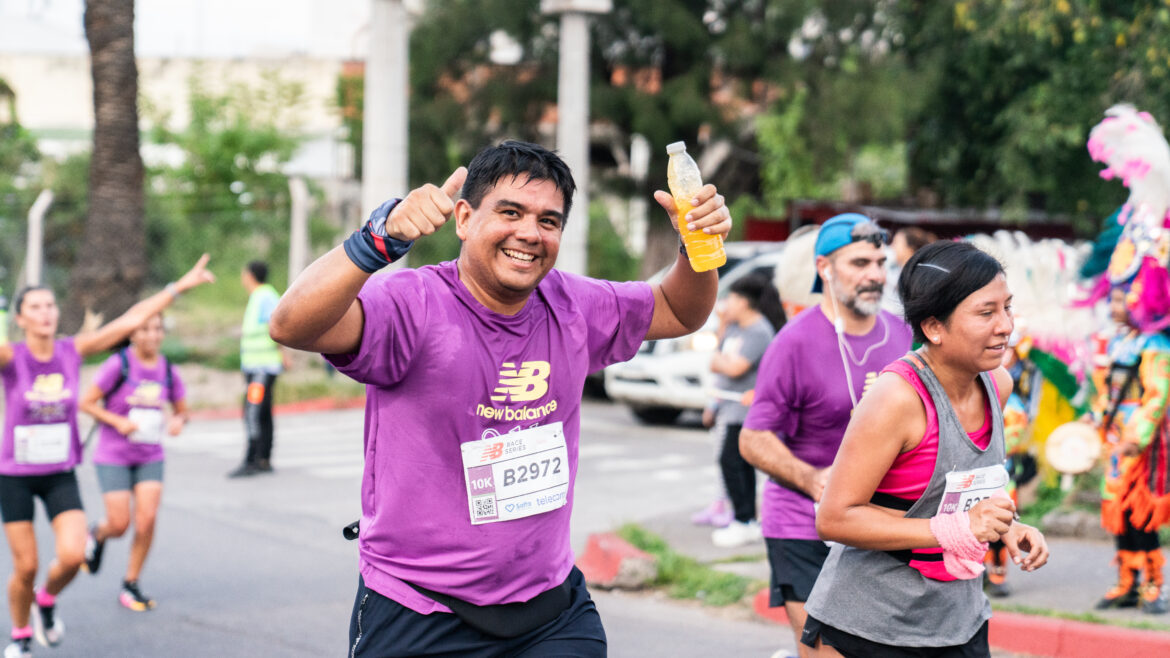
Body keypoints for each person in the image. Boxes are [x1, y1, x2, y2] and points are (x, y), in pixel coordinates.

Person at [267, 140, 731, 656]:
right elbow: (291, 324)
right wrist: (379, 239)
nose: (529, 233)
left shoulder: (575, 306)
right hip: (422, 608)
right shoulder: (413, 305)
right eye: (510, 212)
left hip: (550, 609)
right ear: (464, 218)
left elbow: (677, 310)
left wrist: (695, 247)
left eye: (548, 221)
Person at [802, 241, 1049, 657]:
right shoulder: (897, 398)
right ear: (934, 328)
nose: (1006, 325)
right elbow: (834, 518)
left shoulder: (997, 384)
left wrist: (1009, 528)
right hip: (866, 629)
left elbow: (967, 484)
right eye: (986, 313)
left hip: (959, 624)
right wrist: (952, 530)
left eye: (1007, 307)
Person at [0, 257, 213, 658]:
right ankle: (21, 634)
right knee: (25, 566)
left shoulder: (71, 350)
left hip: (59, 473)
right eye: (35, 307)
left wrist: (178, 286)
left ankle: (46, 600)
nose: (45, 313)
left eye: (50, 305)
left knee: (72, 555)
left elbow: (132, 319)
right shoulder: (11, 358)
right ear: (21, 319)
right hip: (14, 475)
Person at [739, 213, 912, 658]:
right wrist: (814, 478)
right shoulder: (793, 343)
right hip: (801, 522)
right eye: (859, 263)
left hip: (877, 523)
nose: (874, 274)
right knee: (825, 652)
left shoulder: (903, 337)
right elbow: (753, 438)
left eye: (880, 262)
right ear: (824, 269)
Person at [77, 312, 189, 612]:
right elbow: (85, 402)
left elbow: (181, 410)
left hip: (150, 455)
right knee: (119, 523)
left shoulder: (167, 369)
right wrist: (117, 421)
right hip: (113, 454)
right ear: (132, 334)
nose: (153, 335)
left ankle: (131, 583)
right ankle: (97, 533)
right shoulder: (119, 364)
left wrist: (178, 422)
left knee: (147, 519)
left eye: (157, 329)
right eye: (145, 330)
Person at [1089, 288, 1170, 613]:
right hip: (1114, 441)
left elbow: (1158, 394)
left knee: (1141, 516)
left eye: (1123, 300)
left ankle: (1153, 586)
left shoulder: (1156, 345)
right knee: (1118, 513)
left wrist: (1137, 436)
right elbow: (1107, 392)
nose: (1115, 305)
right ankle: (1126, 583)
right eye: (1114, 299)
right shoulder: (1117, 341)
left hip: (1141, 443)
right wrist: (1094, 419)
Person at [705, 273, 785, 548]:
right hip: (728, 405)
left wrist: (719, 361)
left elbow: (734, 367)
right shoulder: (736, 328)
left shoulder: (759, 331)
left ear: (745, 302)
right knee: (737, 463)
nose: (726, 303)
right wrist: (723, 328)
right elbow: (716, 360)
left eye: (732, 298)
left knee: (732, 462)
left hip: (746, 408)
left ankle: (743, 520)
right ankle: (746, 519)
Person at [228, 261, 287, 478]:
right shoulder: (260, 296)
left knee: (252, 411)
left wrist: (283, 354)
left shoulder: (265, 296)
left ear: (250, 275)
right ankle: (264, 459)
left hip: (262, 368)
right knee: (263, 412)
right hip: (257, 366)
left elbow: (278, 325)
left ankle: (252, 460)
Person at [883, 226, 936, 315]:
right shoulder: (896, 273)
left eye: (896, 243)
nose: (891, 247)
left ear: (910, 249)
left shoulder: (919, 278)